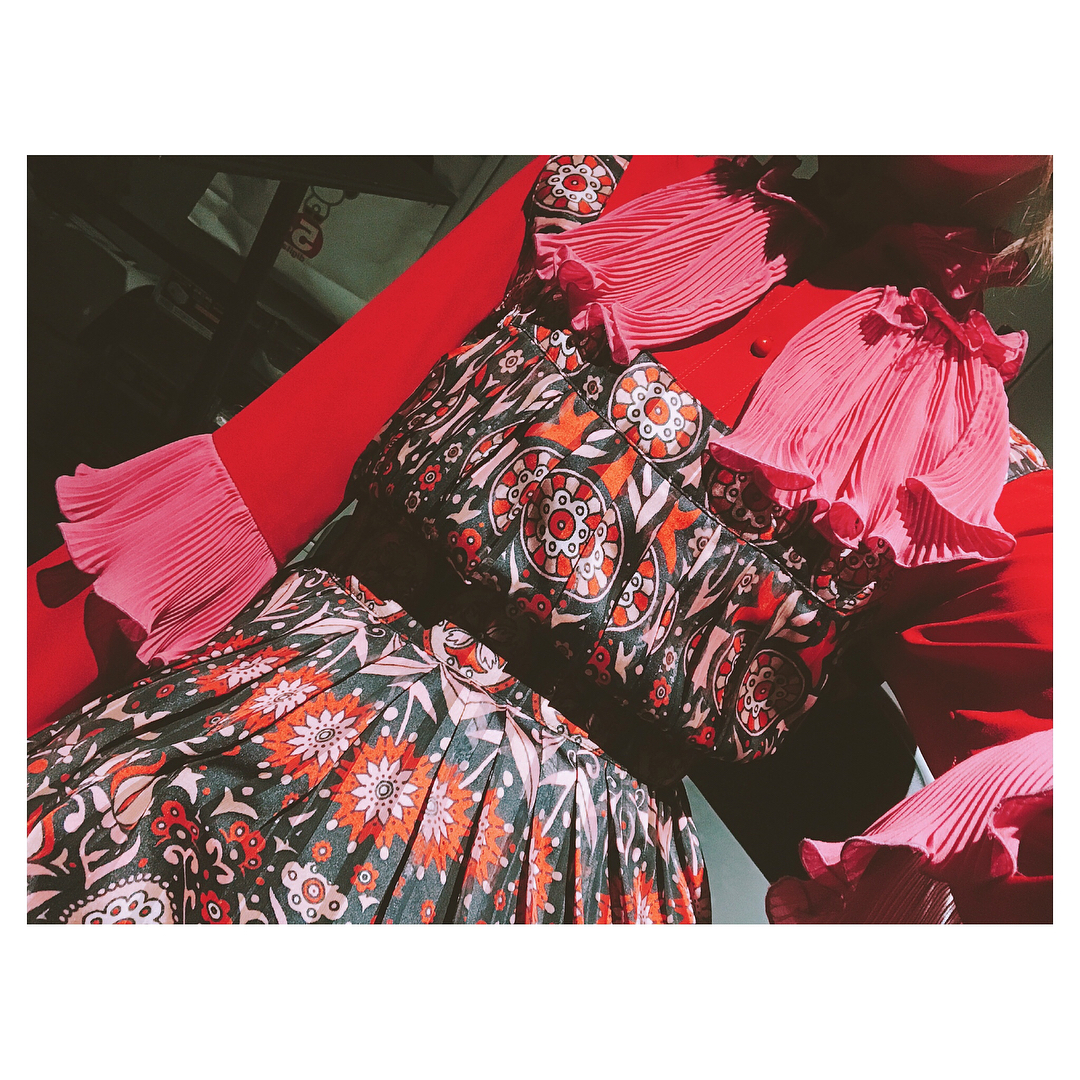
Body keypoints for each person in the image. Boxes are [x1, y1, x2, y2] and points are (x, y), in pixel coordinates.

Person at [27, 154, 1052, 924]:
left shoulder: (973, 475)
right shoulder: (623, 185)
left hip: (541, 889)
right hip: (226, 759)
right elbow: (280, 467)